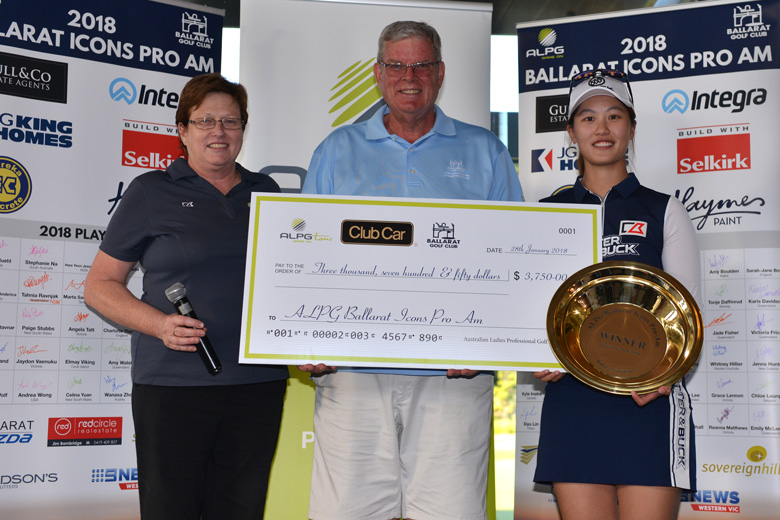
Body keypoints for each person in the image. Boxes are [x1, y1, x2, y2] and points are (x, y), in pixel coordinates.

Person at [301, 21, 524, 520]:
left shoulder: (485, 150)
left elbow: (512, 258)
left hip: (454, 373)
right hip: (353, 372)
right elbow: (306, 255)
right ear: (378, 74)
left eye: (421, 65)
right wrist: (306, 338)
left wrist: (487, 344)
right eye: (397, 66)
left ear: (440, 73)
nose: (410, 76)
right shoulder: (336, 149)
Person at [84, 73, 288, 520]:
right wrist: (159, 324)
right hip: (173, 385)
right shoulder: (151, 192)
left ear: (243, 128)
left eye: (230, 121)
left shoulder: (267, 192)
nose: (219, 132)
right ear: (182, 129)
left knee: (241, 511)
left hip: (258, 384)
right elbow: (99, 286)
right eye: (205, 121)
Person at [533, 69, 700, 520]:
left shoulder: (664, 208)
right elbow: (530, 307)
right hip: (572, 400)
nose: (601, 129)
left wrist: (665, 377)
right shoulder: (546, 213)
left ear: (631, 127)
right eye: (587, 118)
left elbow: (689, 312)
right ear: (571, 132)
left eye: (614, 116)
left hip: (647, 399)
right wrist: (533, 353)